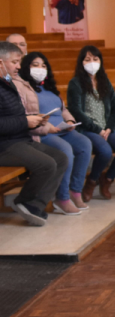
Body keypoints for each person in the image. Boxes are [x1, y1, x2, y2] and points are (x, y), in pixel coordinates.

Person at [0, 42, 66, 227]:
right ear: (0, 62)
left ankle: (35, 204)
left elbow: (13, 116)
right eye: (14, 62)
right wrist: (25, 121)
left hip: (19, 138)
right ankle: (23, 201)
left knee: (60, 158)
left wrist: (32, 119)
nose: (18, 66)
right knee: (46, 164)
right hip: (4, 145)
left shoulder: (7, 83)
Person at [18, 52, 92, 214]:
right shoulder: (23, 88)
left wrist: (71, 121)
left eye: (43, 65)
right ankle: (62, 198)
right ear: (26, 67)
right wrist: (47, 128)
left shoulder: (49, 87)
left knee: (85, 144)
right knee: (66, 150)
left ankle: (75, 191)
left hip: (62, 128)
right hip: (45, 132)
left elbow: (63, 109)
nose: (40, 69)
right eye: (35, 65)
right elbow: (26, 117)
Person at [66, 45, 115, 201]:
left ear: (100, 61)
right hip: (88, 129)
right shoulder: (75, 83)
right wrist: (98, 129)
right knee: (105, 152)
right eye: (87, 59)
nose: (92, 62)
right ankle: (91, 181)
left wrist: (109, 128)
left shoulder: (104, 81)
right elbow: (76, 111)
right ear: (81, 62)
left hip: (107, 128)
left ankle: (107, 179)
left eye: (95, 59)